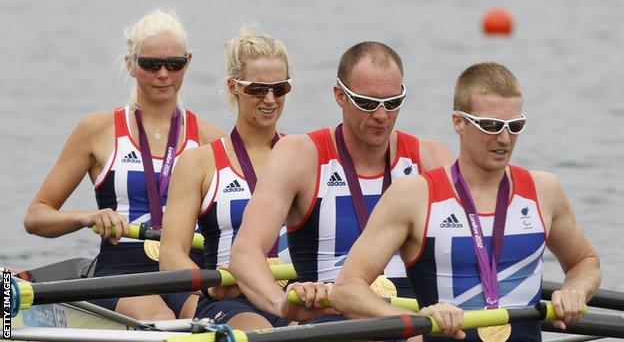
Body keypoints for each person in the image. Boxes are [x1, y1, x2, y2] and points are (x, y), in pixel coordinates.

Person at [331, 62, 601, 341]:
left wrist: (575, 290)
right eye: (491, 126)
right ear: (458, 122)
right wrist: (413, 320)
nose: (505, 138)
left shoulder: (544, 190)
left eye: (515, 125)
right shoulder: (414, 196)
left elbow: (585, 261)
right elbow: (347, 289)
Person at [229, 41, 456, 326]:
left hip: (415, 320)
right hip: (332, 320)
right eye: (367, 103)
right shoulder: (300, 156)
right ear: (339, 95)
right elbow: (245, 254)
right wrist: (282, 304)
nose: (382, 116)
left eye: (393, 102)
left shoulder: (431, 157)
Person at [22, 9, 223, 320]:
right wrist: (88, 217)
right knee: (162, 321)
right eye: (150, 64)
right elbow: (36, 216)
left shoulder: (212, 140)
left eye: (174, 64)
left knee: (205, 321)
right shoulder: (97, 130)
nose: (163, 75)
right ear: (130, 64)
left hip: (188, 270)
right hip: (122, 269)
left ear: (189, 63)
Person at [159, 25, 292, 329]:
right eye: (257, 89)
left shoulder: (303, 156)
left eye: (279, 88)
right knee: (261, 334)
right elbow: (169, 256)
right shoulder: (199, 163)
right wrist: (211, 286)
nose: (270, 99)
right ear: (234, 86)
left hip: (291, 295)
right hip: (228, 299)